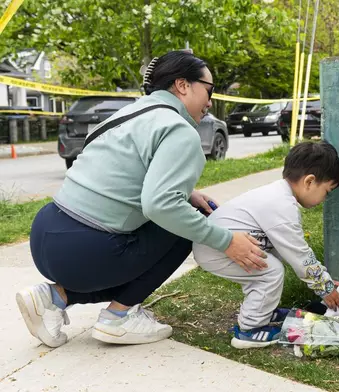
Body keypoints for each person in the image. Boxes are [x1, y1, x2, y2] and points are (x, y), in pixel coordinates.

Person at [16, 51, 268, 348]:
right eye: (209, 90)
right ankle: (118, 318)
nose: (210, 102)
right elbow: (161, 205)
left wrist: (187, 192)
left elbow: (118, 171)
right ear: (183, 85)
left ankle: (53, 297)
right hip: (84, 250)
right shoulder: (179, 129)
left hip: (47, 231)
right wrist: (227, 241)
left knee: (181, 210)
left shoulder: (127, 114)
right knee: (185, 226)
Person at [193, 141, 339, 349]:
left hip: (214, 245)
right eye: (327, 191)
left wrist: (322, 280)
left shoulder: (277, 195)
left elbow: (285, 250)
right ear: (309, 182)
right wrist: (326, 288)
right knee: (270, 272)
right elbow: (300, 256)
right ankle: (250, 330)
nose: (325, 198)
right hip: (216, 248)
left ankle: (262, 311)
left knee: (265, 267)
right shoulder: (282, 206)